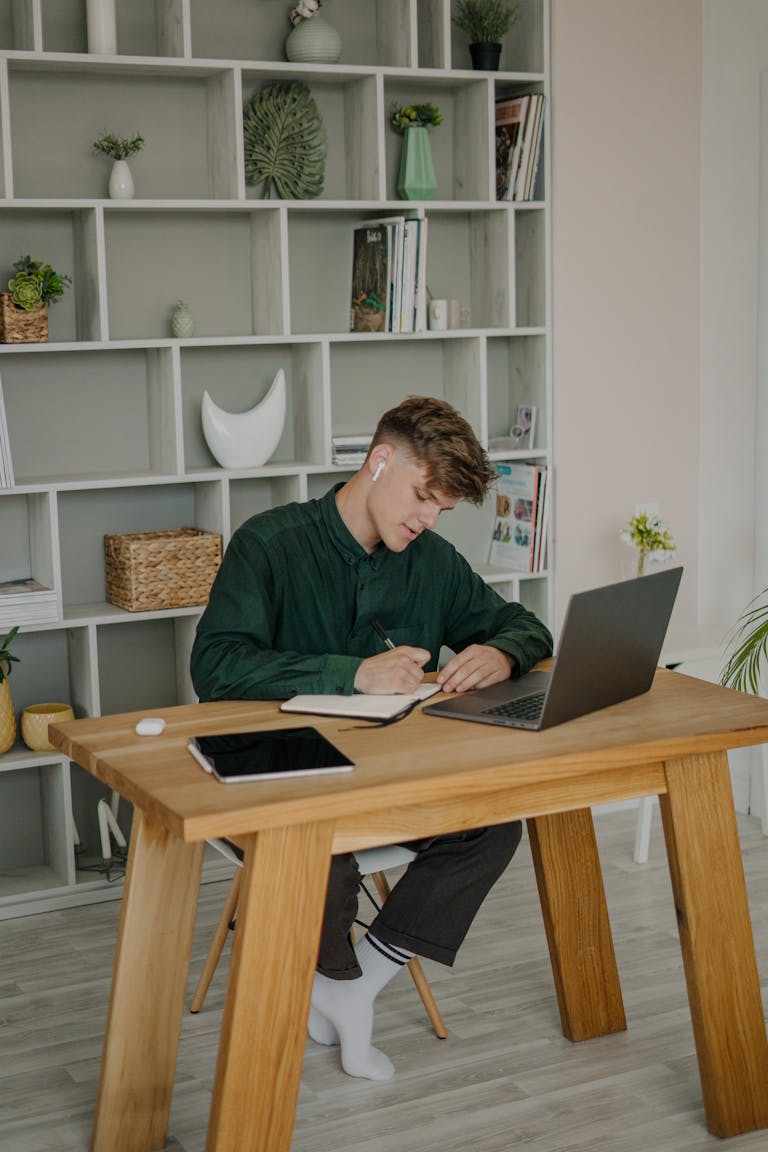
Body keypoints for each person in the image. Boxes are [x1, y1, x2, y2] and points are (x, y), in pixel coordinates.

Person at [191, 395, 553, 1082]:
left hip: (393, 781)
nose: (426, 520)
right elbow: (215, 666)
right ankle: (330, 982)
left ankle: (353, 991)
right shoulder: (269, 544)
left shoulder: (433, 562)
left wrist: (503, 653)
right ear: (380, 460)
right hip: (287, 781)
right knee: (318, 856)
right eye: (422, 498)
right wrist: (352, 673)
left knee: (496, 825)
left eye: (441, 510)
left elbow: (522, 622)